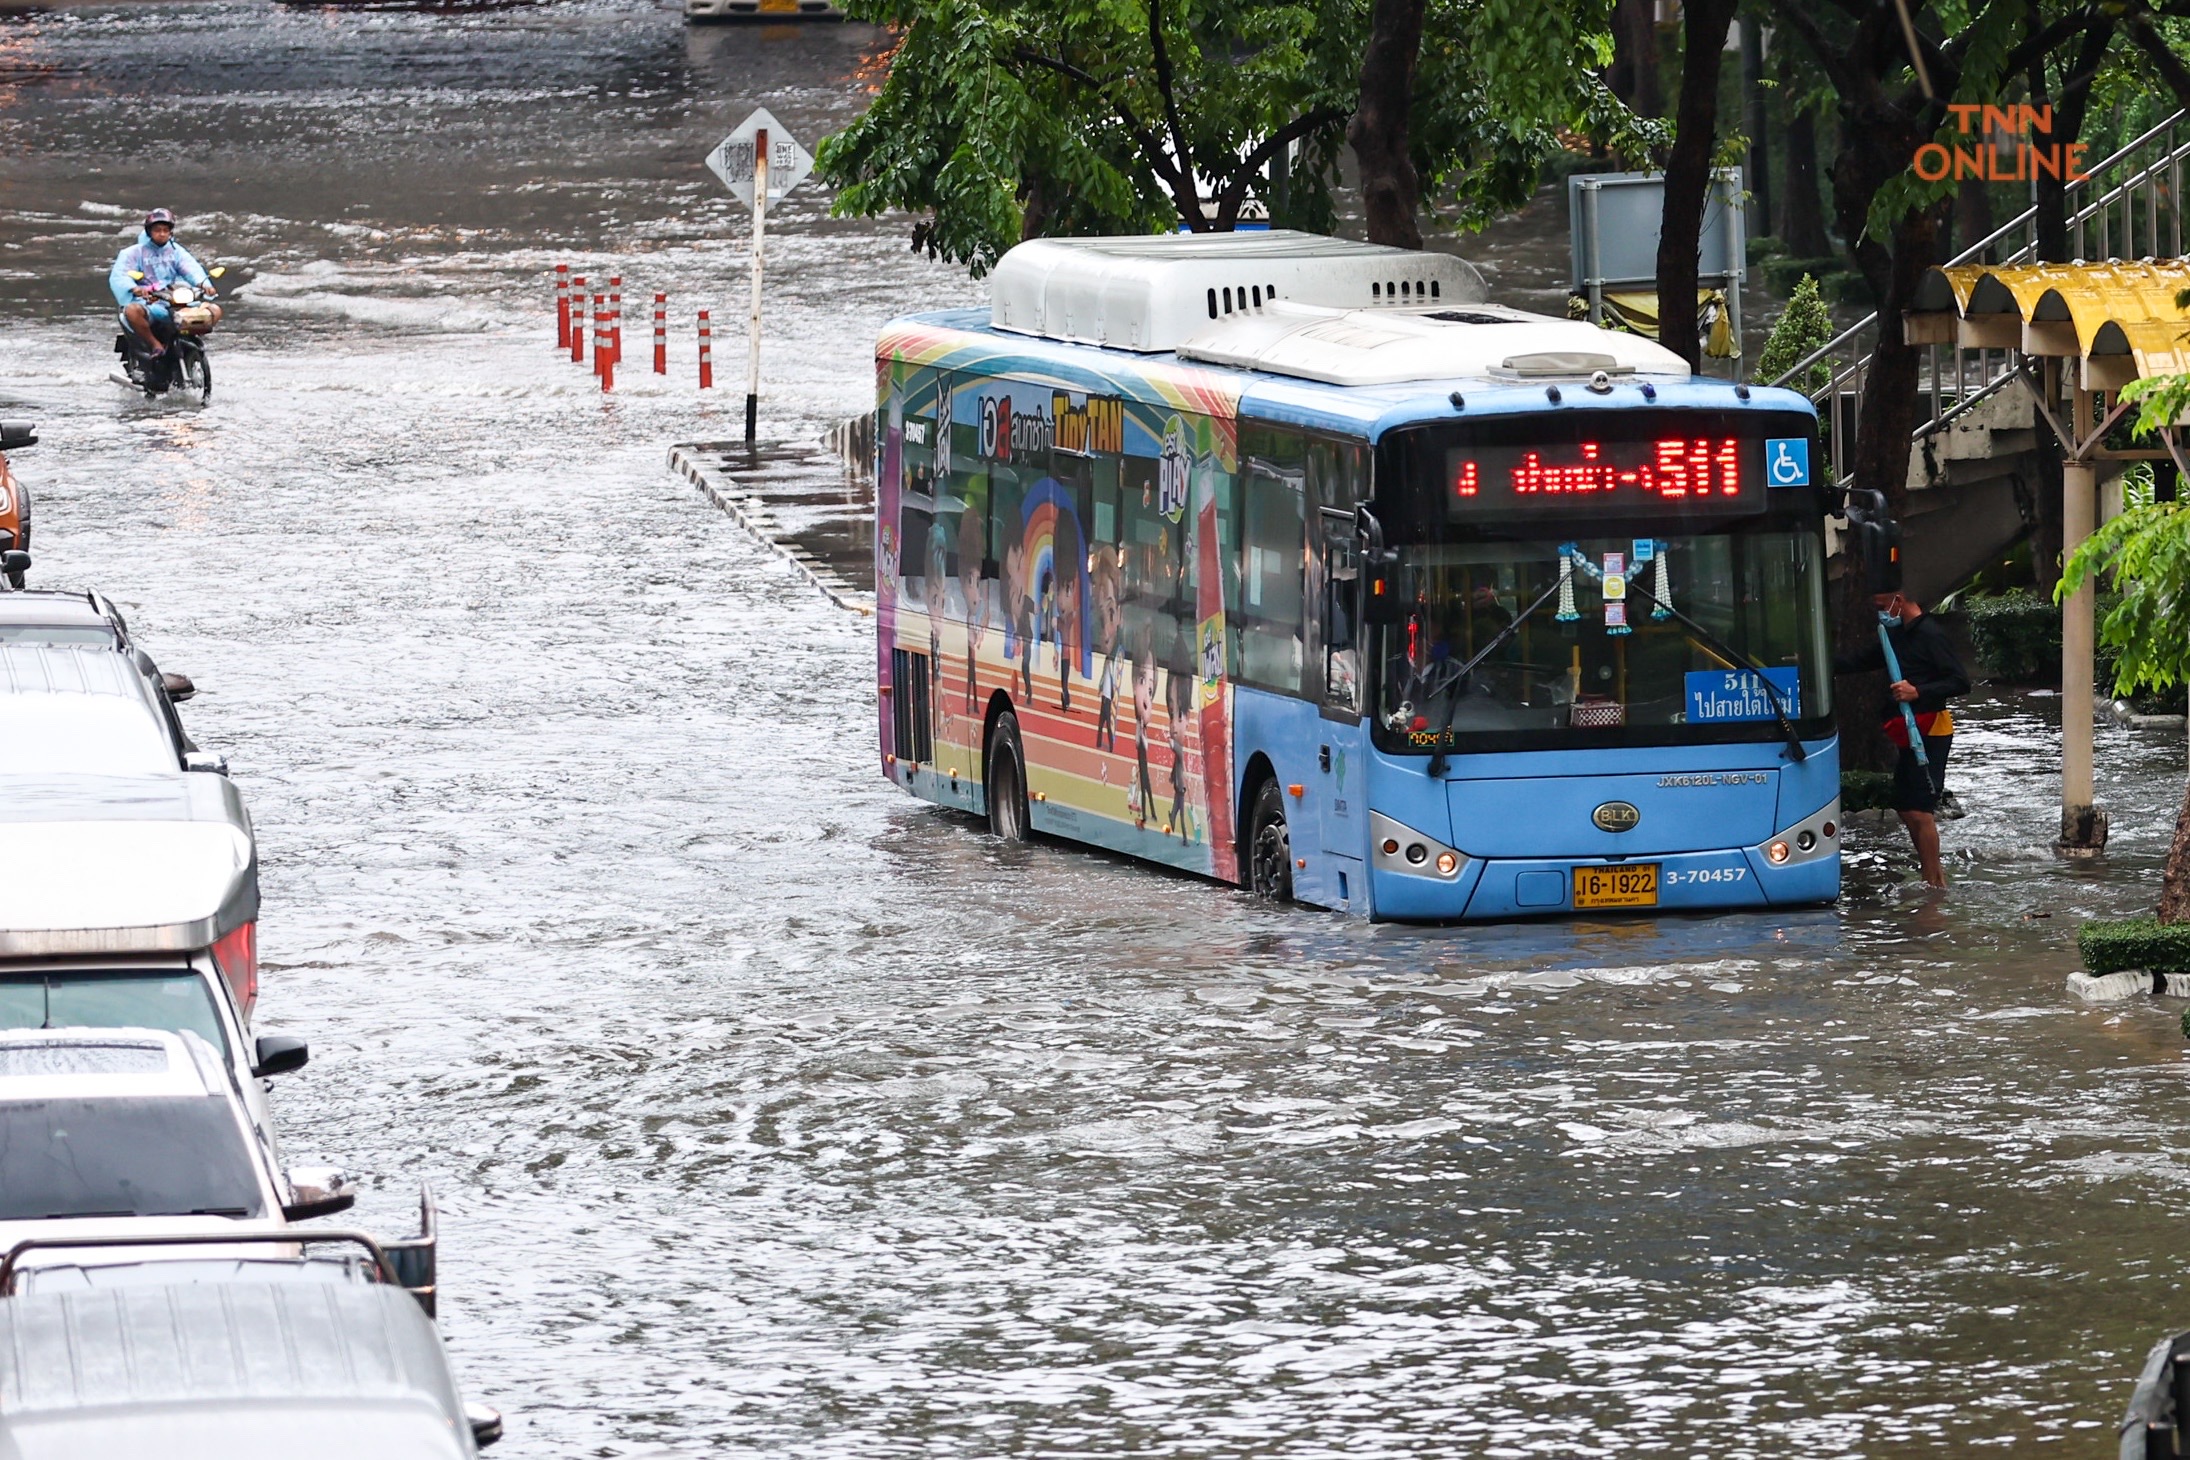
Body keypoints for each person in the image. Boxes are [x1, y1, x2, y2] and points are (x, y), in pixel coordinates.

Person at [1837, 588, 1969, 888]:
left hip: (1932, 730)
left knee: (1920, 810)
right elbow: (1859, 660)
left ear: (1900, 600)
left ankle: (1936, 883)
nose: (1881, 612)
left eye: (1884, 605)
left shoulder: (1931, 635)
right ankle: (1930, 877)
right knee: (1906, 806)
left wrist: (1918, 691)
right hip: (1909, 733)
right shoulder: (1895, 636)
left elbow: (1960, 681)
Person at [110, 209, 220, 358]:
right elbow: (121, 274)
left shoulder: (176, 251)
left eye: (165, 230)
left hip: (173, 299)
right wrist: (135, 288)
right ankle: (155, 344)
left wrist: (204, 284)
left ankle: (192, 339)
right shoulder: (133, 253)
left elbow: (191, 269)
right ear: (149, 232)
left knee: (214, 310)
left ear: (171, 232)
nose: (162, 234)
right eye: (157, 230)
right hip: (149, 302)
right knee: (131, 311)